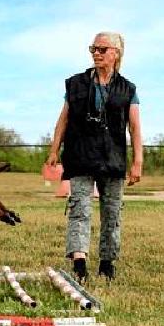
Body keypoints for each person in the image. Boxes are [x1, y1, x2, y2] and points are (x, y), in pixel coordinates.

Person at [47, 31, 143, 282]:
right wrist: (54, 150)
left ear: (116, 53)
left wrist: (137, 162)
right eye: (93, 49)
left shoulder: (128, 89)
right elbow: (63, 119)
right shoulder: (76, 83)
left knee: (112, 213)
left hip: (112, 159)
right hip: (80, 156)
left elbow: (134, 128)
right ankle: (79, 263)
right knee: (80, 209)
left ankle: (107, 263)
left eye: (102, 49)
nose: (96, 53)